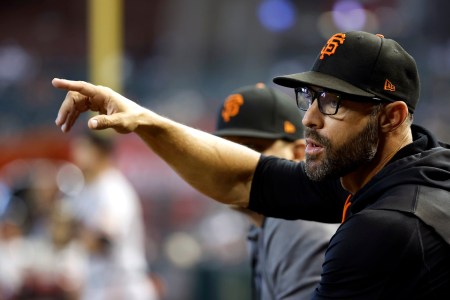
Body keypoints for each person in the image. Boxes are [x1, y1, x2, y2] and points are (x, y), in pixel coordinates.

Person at [52, 30, 450, 299]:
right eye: (310, 97)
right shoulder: (399, 170)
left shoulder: (384, 230)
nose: (310, 118)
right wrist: (143, 119)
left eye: (333, 102)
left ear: (392, 117)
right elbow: (245, 178)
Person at [214, 83, 340, 299]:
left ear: (300, 154)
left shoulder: (298, 224)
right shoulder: (265, 222)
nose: (231, 162)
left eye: (251, 148)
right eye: (224, 149)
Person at [68, 131, 159, 300]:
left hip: (122, 288)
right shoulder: (87, 190)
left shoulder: (113, 189)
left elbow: (104, 240)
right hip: (99, 285)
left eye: (83, 148)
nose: (76, 154)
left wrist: (74, 231)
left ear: (98, 152)